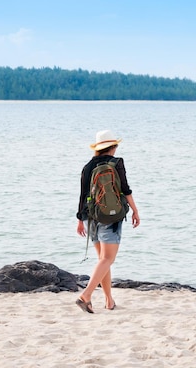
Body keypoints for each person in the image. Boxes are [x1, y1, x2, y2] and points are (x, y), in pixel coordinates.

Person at [75, 129, 140, 313]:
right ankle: (85, 296)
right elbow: (126, 190)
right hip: (110, 216)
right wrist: (135, 211)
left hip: (90, 215)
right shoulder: (116, 163)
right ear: (113, 146)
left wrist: (80, 219)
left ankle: (109, 300)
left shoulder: (88, 166)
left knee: (103, 260)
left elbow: (83, 195)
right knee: (107, 259)